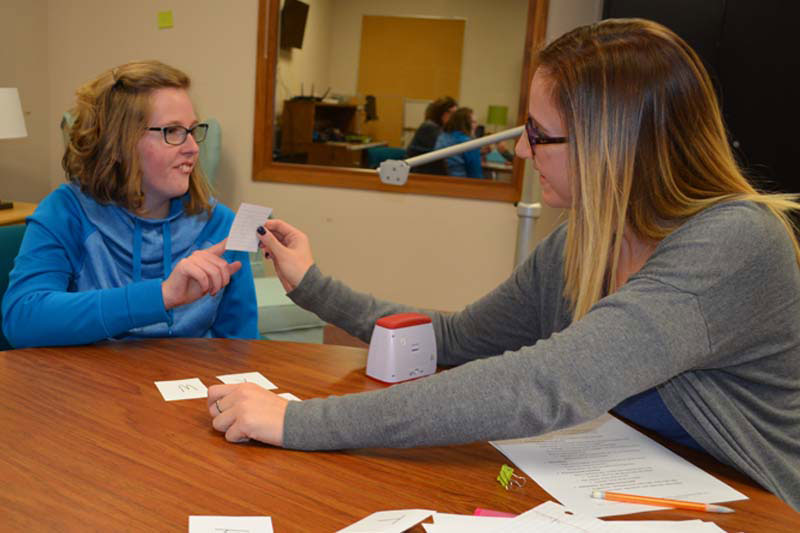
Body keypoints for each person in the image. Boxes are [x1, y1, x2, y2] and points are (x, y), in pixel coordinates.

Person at [207, 19, 800, 509]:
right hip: (634, 486)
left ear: (611, 144)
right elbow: (457, 339)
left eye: (540, 135)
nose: (520, 150)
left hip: (751, 505)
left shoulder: (735, 244)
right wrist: (314, 286)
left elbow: (543, 385)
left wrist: (301, 423)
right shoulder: (581, 242)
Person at [2, 60, 258, 347]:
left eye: (192, 130)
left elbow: (241, 346)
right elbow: (22, 319)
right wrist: (161, 295)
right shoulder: (66, 212)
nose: (193, 148)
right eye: (172, 131)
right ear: (118, 143)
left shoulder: (220, 223)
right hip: (92, 388)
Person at [405, 96, 457, 175]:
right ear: (440, 112)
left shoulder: (441, 128)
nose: (454, 117)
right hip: (418, 173)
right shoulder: (429, 127)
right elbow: (445, 149)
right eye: (451, 113)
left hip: (426, 170)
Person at [434, 107, 484, 179]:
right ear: (466, 124)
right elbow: (476, 176)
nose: (476, 125)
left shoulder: (442, 137)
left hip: (437, 182)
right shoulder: (469, 144)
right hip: (461, 184)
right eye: (474, 122)